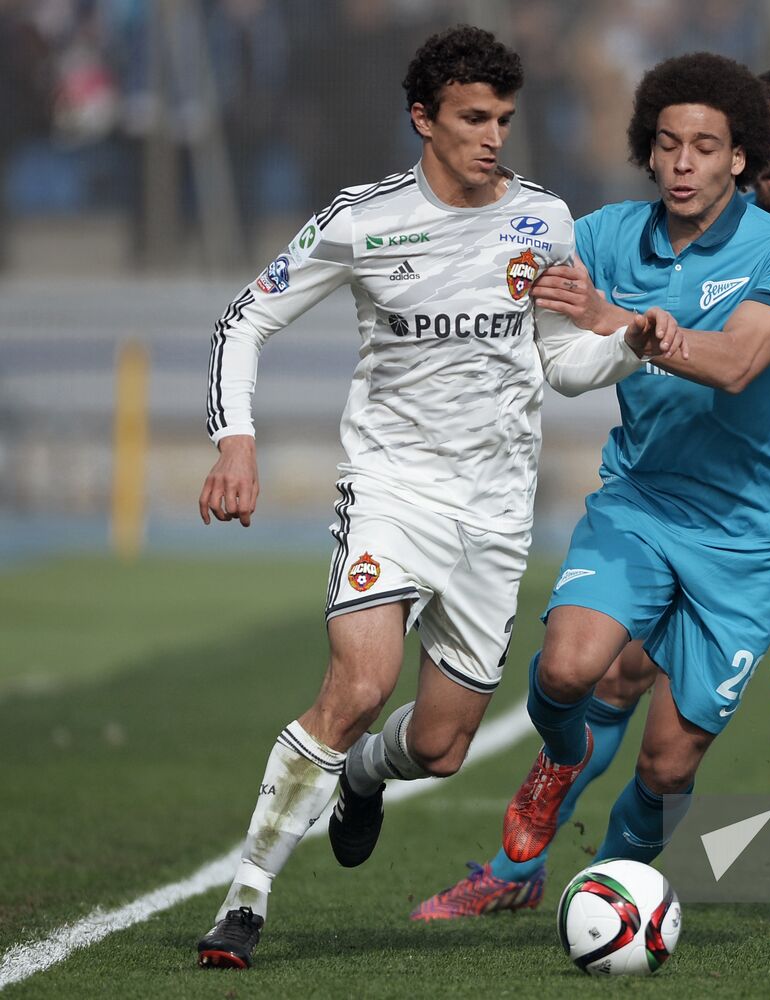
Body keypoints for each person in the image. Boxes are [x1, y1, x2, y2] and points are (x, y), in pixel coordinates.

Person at [414, 65, 770, 934]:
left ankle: (750, 880)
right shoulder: (621, 233)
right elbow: (522, 275)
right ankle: (520, 865)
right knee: (601, 670)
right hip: (655, 494)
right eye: (672, 144)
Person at [193, 25, 680, 970]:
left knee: (444, 746)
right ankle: (246, 898)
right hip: (393, 490)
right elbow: (244, 318)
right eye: (471, 118)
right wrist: (235, 439)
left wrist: (628, 345)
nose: (492, 135)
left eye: (502, 118)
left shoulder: (544, 218)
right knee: (361, 685)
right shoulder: (362, 219)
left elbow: (560, 367)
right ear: (423, 118)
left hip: (496, 515)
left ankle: (366, 778)